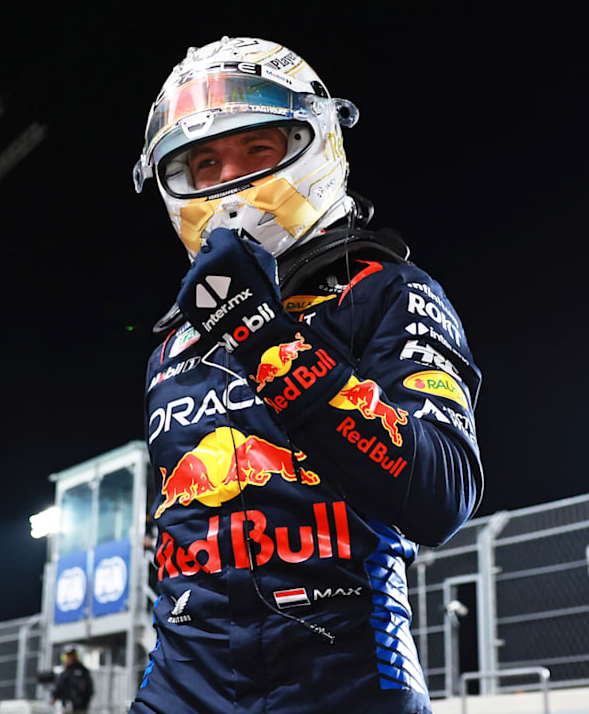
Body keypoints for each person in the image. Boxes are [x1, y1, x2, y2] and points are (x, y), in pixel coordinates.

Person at [130, 37, 483, 713]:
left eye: (256, 149)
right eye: (203, 163)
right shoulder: (171, 348)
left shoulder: (388, 291)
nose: (227, 179)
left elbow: (444, 494)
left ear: (316, 146)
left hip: (348, 688)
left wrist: (266, 335)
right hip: (180, 692)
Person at [52, 646, 93, 712]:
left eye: (71, 656)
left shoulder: (82, 671)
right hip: (65, 705)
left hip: (79, 707)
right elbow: (59, 686)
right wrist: (54, 697)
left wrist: (84, 704)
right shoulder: (64, 672)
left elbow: (88, 689)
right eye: (66, 656)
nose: (68, 659)